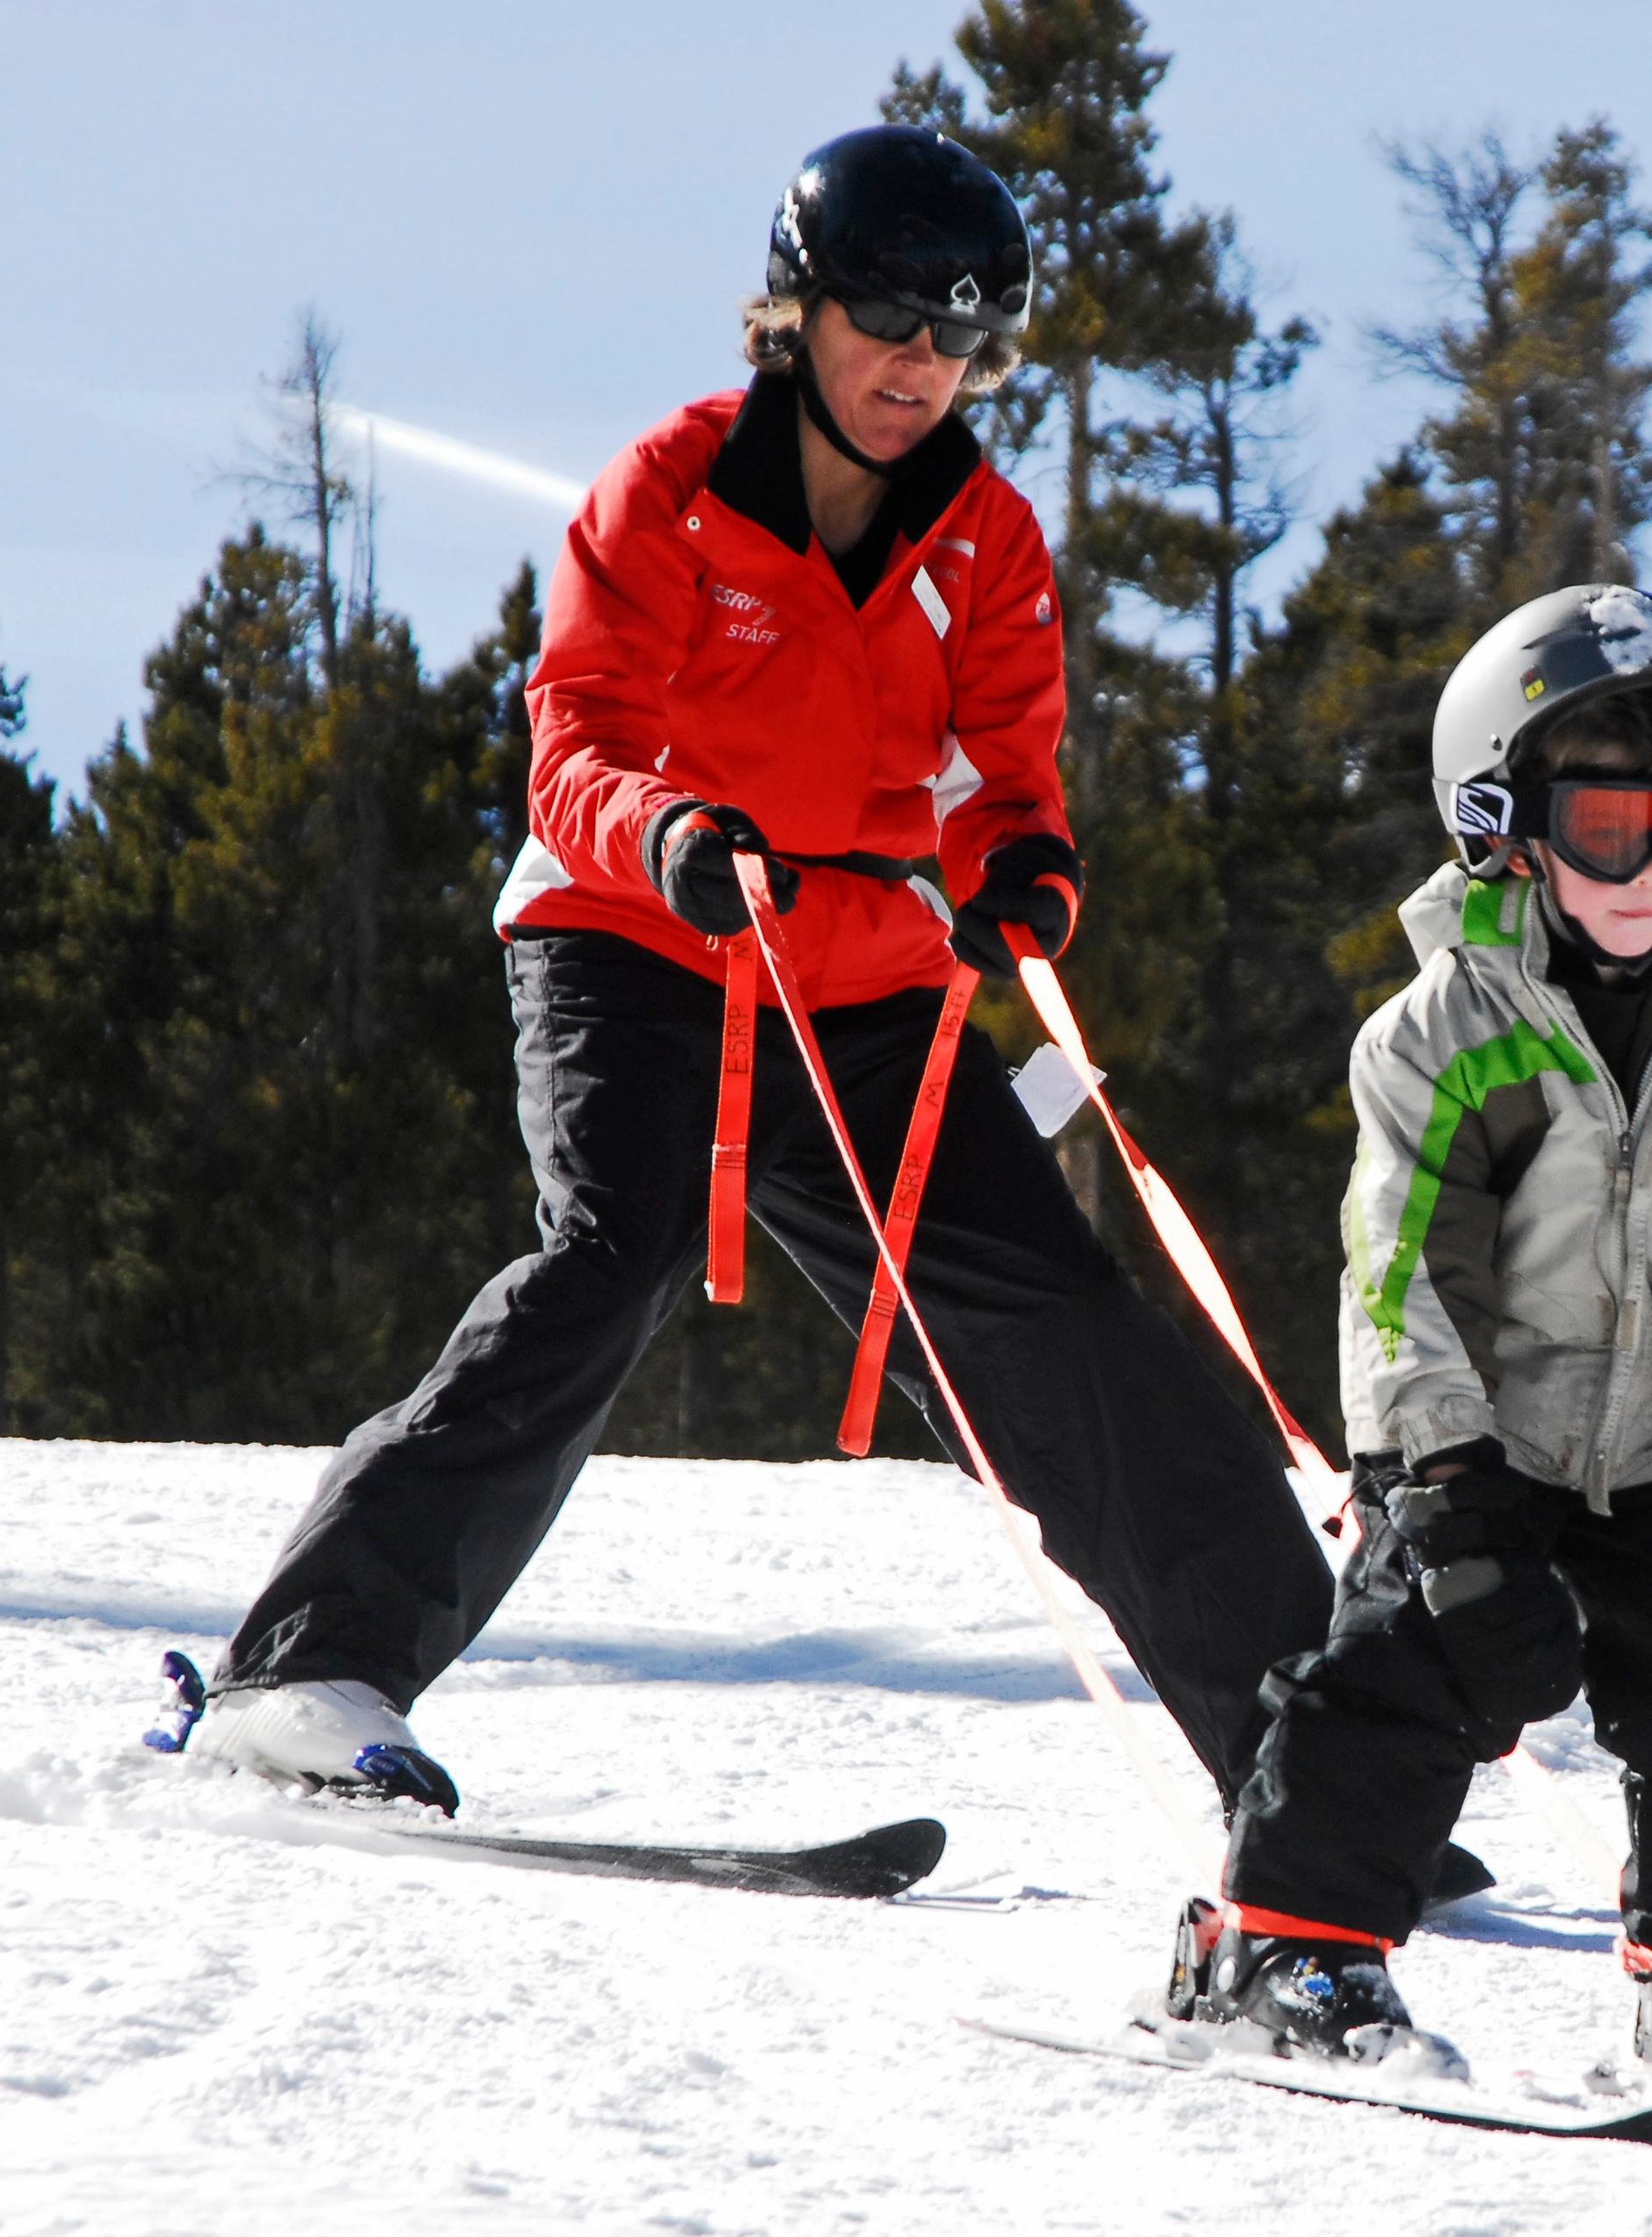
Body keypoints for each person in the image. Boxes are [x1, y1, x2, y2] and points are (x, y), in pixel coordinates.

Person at [162, 125, 1332, 1821]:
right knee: (613, 1249)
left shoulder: (986, 542)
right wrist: (670, 838)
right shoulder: (670, 493)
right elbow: (574, 742)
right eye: (887, 319)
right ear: (798, 314)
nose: (919, 364)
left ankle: (1324, 1758)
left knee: (1058, 1317)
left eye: (962, 333)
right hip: (638, 934)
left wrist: (1025, 865)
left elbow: (1009, 766)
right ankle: (308, 1668)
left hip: (857, 983)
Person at [1165, 585, 1652, 2099]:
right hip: (1482, 1442)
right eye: (1611, 828)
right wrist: (1443, 1478)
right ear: (1505, 821)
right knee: (1412, 1664)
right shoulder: (1439, 1036)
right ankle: (1281, 1937)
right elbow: (1398, 1274)